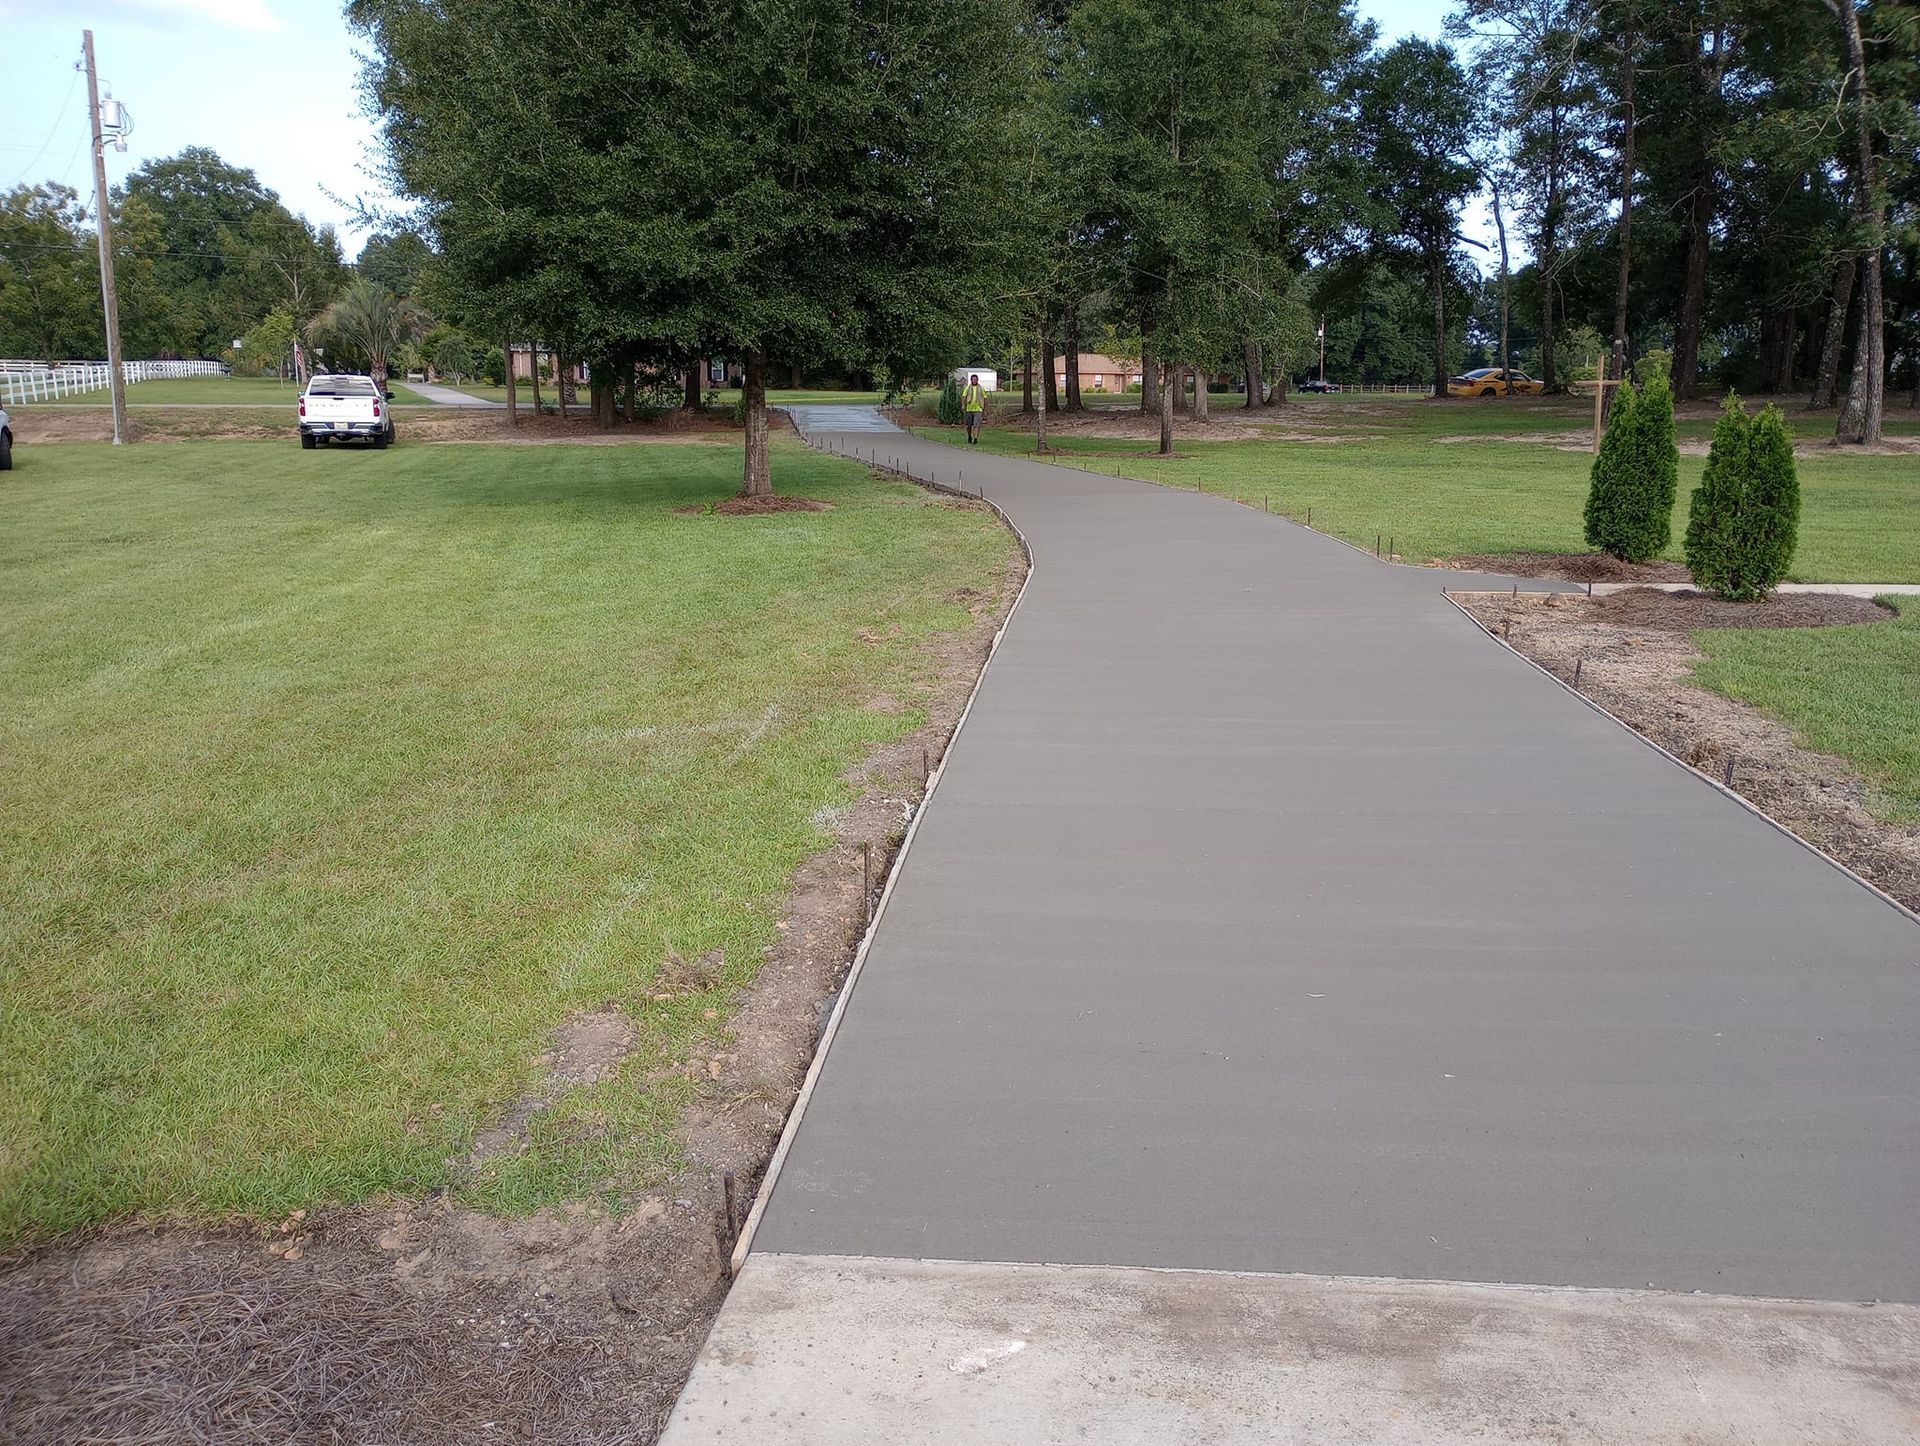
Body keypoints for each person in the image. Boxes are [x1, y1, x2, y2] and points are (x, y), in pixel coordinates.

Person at [961, 373, 987, 444]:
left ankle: (975, 439)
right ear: (971, 380)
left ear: (977, 380)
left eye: (975, 379)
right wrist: (963, 405)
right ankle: (969, 436)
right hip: (969, 409)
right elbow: (964, 397)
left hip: (978, 409)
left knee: (976, 425)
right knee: (968, 425)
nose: (974, 380)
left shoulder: (981, 388)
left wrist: (985, 408)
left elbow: (985, 398)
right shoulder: (967, 388)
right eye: (973, 379)